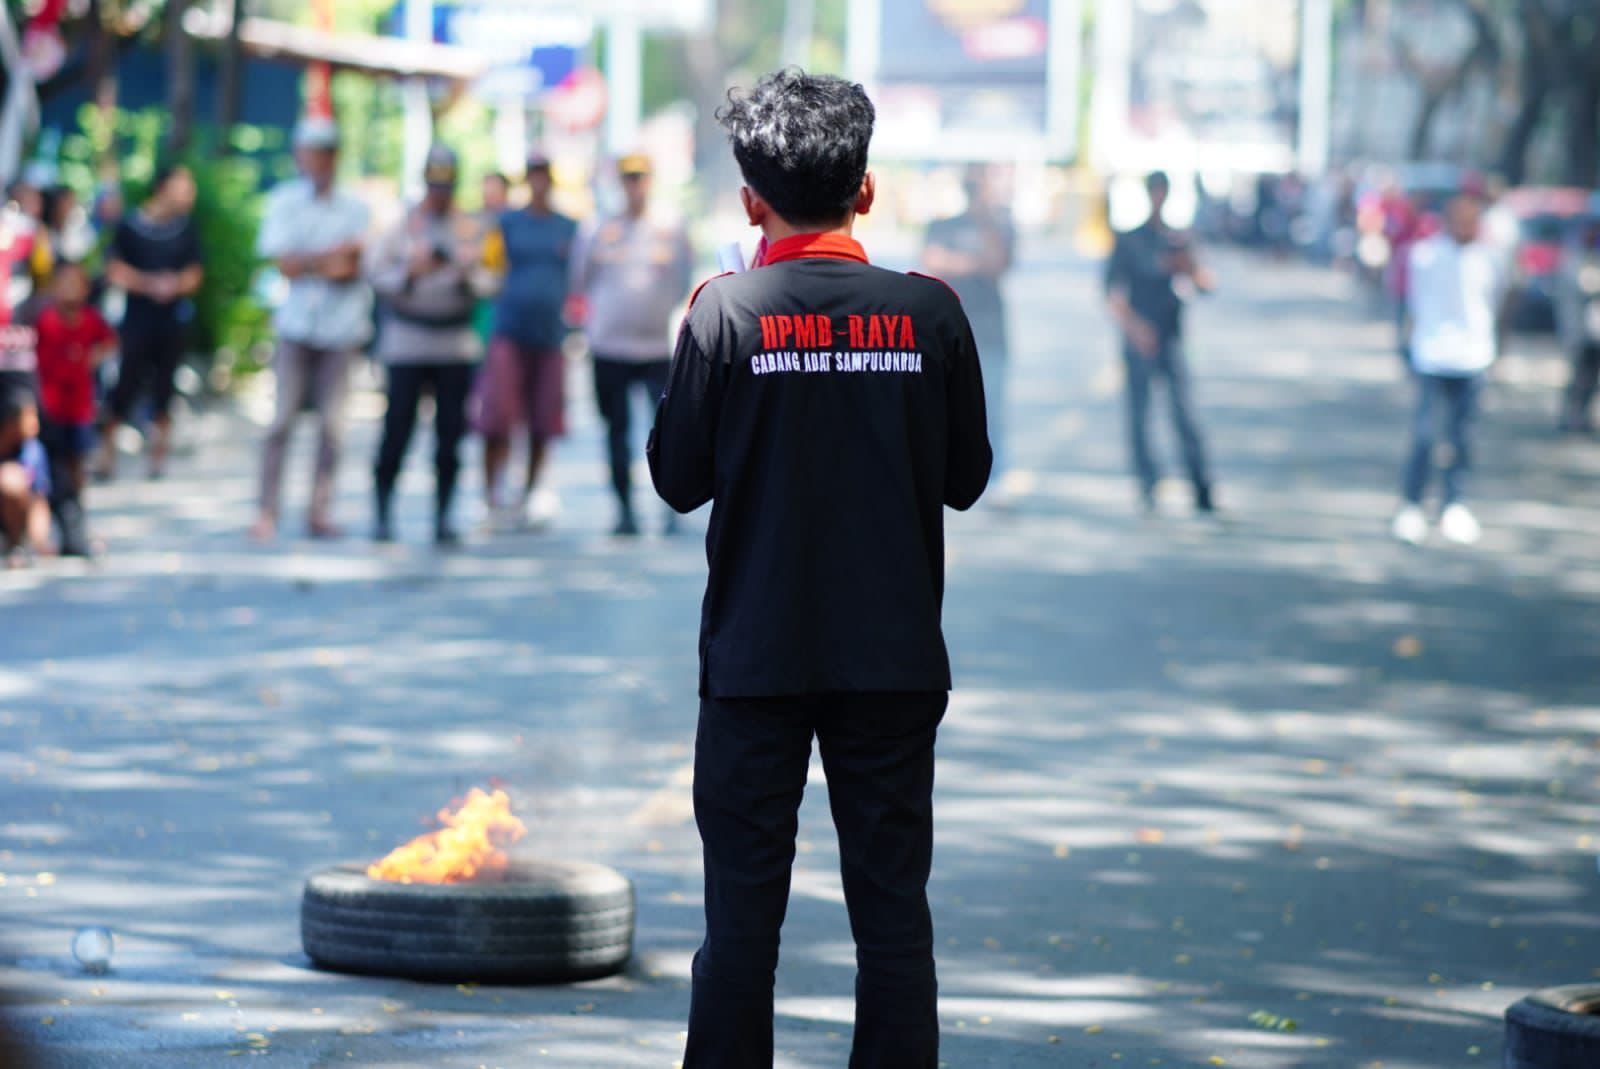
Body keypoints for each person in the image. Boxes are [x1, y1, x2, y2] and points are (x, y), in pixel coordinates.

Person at [648, 69, 991, 1068]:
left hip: (755, 663)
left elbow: (676, 480)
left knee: (740, 927)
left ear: (751, 203)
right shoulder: (930, 312)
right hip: (892, 662)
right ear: (866, 189)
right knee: (892, 917)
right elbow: (965, 479)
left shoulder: (723, 311)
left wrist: (705, 336)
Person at [251, 116, 372, 542]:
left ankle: (319, 511)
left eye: (321, 153)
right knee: (280, 420)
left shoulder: (355, 207)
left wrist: (311, 261)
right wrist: (330, 257)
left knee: (332, 427)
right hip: (297, 325)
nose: (313, 161)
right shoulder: (284, 201)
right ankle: (267, 510)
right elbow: (284, 263)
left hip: (342, 329)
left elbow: (353, 266)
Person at [368, 145, 495, 545]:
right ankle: (383, 512)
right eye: (434, 185)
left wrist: (465, 274)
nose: (440, 193)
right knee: (397, 429)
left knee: (450, 436)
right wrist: (410, 272)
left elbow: (493, 279)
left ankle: (443, 516)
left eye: (447, 185)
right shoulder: (402, 225)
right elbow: (375, 273)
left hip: (453, 343)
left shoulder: (472, 227)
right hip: (407, 341)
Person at [573, 153, 692, 535]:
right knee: (616, 430)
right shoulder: (598, 227)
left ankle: (670, 506)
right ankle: (624, 509)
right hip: (609, 346)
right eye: (628, 178)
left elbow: (684, 279)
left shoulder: (670, 226)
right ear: (619, 182)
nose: (634, 185)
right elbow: (580, 279)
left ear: (650, 180)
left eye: (640, 177)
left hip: (656, 347)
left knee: (666, 429)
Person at [1392, 181, 1508, 547]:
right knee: (1425, 435)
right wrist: (1406, 348)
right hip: (1432, 354)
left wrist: (1497, 353)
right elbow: (1410, 305)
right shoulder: (1424, 255)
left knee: (1462, 438)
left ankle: (1454, 504)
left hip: (1473, 357)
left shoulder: (1491, 258)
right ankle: (1412, 503)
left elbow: (1498, 305)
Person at [1104, 170, 1217, 515]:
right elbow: (1112, 294)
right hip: (1140, 338)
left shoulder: (1178, 239)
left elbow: (1206, 284)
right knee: (1140, 416)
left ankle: (1200, 486)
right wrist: (1136, 329)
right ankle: (1147, 485)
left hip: (1171, 337)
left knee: (1184, 414)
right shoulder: (1130, 241)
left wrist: (1189, 266)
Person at [472, 152, 575, 530]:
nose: (538, 182)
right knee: (497, 417)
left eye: (543, 174)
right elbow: (486, 268)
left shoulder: (567, 226)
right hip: (510, 330)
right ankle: (490, 497)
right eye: (533, 174)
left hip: (549, 334)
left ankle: (530, 494)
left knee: (543, 419)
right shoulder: (507, 223)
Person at [99, 162, 204, 481]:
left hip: (171, 321)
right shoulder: (131, 226)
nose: (189, 193)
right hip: (136, 319)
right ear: (163, 187)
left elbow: (195, 272)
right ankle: (106, 454)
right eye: (183, 185)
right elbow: (113, 268)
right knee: (124, 383)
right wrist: (149, 284)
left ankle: (158, 457)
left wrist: (174, 285)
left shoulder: (185, 228)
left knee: (165, 387)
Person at [921, 164, 1014, 502]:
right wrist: (974, 263)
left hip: (990, 332)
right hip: (948, 330)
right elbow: (932, 261)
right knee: (939, 408)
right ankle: (939, 476)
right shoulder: (942, 225)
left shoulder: (999, 225)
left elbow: (999, 263)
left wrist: (983, 224)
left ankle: (996, 478)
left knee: (992, 410)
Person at [34, 260, 115, 554]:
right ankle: (49, 531)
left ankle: (77, 521)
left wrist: (90, 361)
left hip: (80, 407)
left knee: (77, 464)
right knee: (49, 469)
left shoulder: (91, 319)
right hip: (50, 408)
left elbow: (109, 342)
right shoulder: (45, 319)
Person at [0, 382, 53, 564]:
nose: (35, 424)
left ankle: (17, 545)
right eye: (29, 417)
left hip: (18, 516)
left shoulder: (33, 451)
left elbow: (40, 499)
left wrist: (38, 542)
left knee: (11, 481)